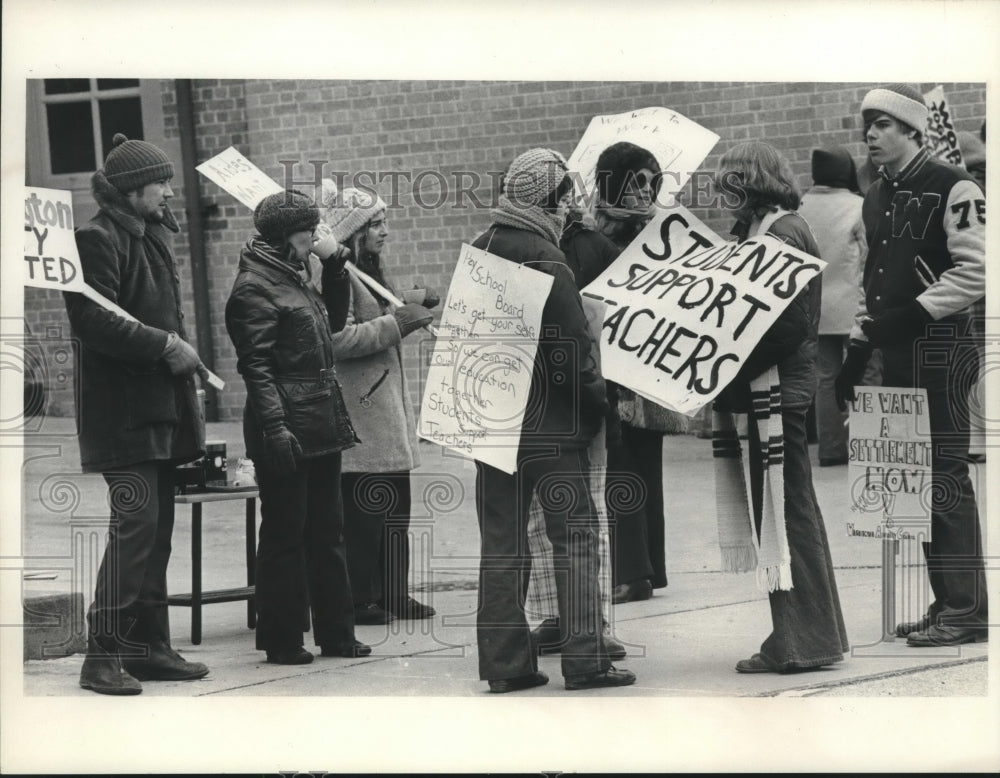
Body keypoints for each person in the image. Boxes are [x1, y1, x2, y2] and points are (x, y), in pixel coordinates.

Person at [471, 147, 635, 692]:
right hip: (551, 430)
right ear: (552, 198)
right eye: (568, 196)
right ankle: (586, 660)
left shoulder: (480, 249)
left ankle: (505, 667)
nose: (572, 207)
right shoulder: (546, 256)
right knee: (576, 538)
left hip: (493, 427)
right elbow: (572, 350)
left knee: (502, 544)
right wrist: (597, 407)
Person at [836, 84, 988, 646]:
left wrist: (911, 315)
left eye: (883, 125)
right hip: (898, 356)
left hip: (943, 352)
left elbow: (977, 272)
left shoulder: (955, 186)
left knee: (945, 478)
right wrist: (856, 352)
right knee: (918, 482)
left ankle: (968, 612)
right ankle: (948, 601)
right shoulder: (876, 194)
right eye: (867, 126)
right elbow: (872, 283)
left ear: (912, 131)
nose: (871, 135)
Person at [66, 133, 210, 694]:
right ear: (132, 190)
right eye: (162, 183)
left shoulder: (148, 236)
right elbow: (93, 321)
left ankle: (149, 647)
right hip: (122, 417)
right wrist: (165, 346)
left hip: (161, 413)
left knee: (157, 534)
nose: (171, 192)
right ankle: (102, 656)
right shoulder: (96, 238)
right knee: (135, 530)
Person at [713, 140, 849, 674]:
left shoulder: (783, 230)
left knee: (786, 516)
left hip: (780, 390)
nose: (723, 191)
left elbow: (788, 323)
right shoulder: (764, 229)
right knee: (788, 514)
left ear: (754, 182)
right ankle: (809, 634)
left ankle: (802, 641)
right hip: (777, 389)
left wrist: (729, 365)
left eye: (731, 181)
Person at [225, 189, 371, 665]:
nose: (315, 238)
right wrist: (274, 427)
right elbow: (257, 366)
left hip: (319, 415)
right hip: (284, 421)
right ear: (286, 235)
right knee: (286, 532)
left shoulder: (293, 276)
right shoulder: (254, 287)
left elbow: (328, 322)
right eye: (309, 231)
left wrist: (335, 268)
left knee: (328, 529)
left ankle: (337, 633)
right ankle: (282, 638)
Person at [319, 185, 436, 625]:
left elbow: (380, 317)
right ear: (352, 231)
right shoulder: (335, 275)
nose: (385, 231)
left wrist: (410, 302)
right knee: (365, 512)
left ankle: (393, 593)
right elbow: (337, 340)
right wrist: (397, 322)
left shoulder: (367, 269)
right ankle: (361, 597)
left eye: (384, 222)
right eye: (375, 225)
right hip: (361, 410)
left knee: (394, 509)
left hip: (383, 409)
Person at [593, 141, 685, 601]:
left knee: (640, 466)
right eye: (637, 182)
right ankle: (635, 569)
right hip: (616, 368)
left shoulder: (661, 234)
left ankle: (641, 570)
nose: (646, 192)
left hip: (647, 366)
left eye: (652, 181)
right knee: (623, 466)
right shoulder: (599, 234)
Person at [797, 147, 876, 466]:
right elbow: (871, 258)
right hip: (856, 303)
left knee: (825, 378)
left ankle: (831, 449)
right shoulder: (859, 205)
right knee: (868, 372)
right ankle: (870, 446)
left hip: (815, 307)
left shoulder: (800, 207)